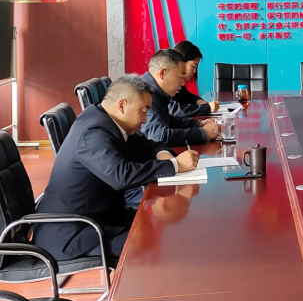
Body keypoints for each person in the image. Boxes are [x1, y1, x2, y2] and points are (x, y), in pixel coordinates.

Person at [33, 75, 200, 261]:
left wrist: (163, 154)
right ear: (122, 106)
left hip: (101, 214)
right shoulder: (94, 132)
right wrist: (174, 165)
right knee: (145, 240)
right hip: (73, 232)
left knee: (153, 224)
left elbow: (148, 144)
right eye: (143, 111)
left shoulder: (109, 121)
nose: (145, 120)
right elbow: (121, 177)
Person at [141, 49, 220, 146]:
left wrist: (199, 123)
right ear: (162, 73)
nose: (182, 83)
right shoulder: (145, 95)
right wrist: (203, 133)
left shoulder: (155, 91)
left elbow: (169, 121)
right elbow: (160, 136)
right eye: (180, 77)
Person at [171, 40, 219, 117]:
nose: (194, 71)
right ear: (181, 63)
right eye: (193, 66)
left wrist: (199, 101)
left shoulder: (179, 82)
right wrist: (207, 108)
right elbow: (175, 110)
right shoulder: (169, 83)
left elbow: (188, 97)